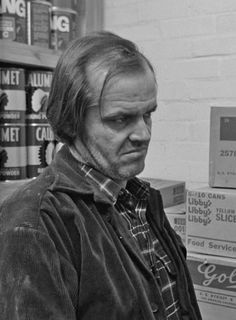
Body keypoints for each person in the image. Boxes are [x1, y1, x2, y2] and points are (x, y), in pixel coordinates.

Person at [0, 31, 202, 320]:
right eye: (120, 119)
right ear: (71, 121)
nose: (143, 134)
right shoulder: (34, 224)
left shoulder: (138, 198)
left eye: (148, 114)